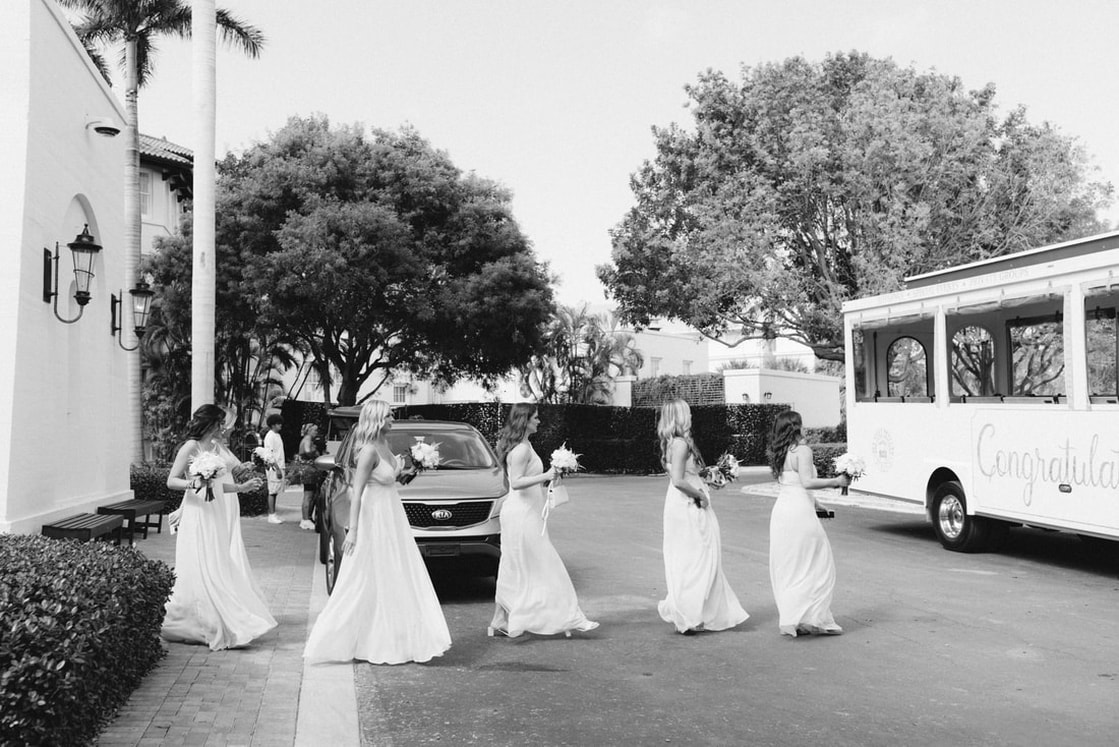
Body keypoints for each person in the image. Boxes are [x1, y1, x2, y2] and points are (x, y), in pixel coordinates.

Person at [303, 400, 451, 664]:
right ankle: (339, 638)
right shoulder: (368, 450)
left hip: (392, 515)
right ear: (378, 419)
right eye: (390, 415)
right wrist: (354, 530)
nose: (393, 419)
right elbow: (357, 493)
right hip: (374, 517)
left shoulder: (386, 445)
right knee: (363, 576)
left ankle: (393, 636)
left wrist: (409, 470)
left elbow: (389, 480)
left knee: (394, 573)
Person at [161, 405, 277, 650]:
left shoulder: (215, 448)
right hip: (197, 511)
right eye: (220, 422)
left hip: (215, 510)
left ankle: (216, 613)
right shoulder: (190, 447)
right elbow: (171, 480)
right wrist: (195, 483)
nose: (223, 427)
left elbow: (218, 485)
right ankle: (199, 618)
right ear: (210, 423)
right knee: (200, 560)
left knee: (217, 559)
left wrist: (241, 489)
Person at [488, 403, 598, 638]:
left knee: (515, 563)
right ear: (524, 420)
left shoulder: (527, 445)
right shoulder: (521, 450)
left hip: (528, 511)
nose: (539, 421)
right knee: (544, 561)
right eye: (535, 418)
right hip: (521, 514)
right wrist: (546, 475)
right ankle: (569, 616)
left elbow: (526, 480)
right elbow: (515, 482)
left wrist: (551, 477)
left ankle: (499, 618)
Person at [657, 399, 749, 635]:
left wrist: (710, 475)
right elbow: (678, 481)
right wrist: (700, 494)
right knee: (699, 557)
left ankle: (694, 610)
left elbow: (677, 471)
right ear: (679, 417)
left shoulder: (672, 442)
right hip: (688, 504)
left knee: (694, 557)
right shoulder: (680, 444)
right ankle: (689, 612)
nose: (692, 416)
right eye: (687, 413)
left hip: (682, 502)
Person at [767, 410, 850, 637]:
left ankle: (798, 618)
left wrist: (816, 504)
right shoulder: (803, 450)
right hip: (798, 513)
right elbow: (806, 482)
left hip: (783, 512)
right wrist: (837, 481)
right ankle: (813, 617)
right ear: (796, 426)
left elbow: (791, 484)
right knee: (818, 562)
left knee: (793, 566)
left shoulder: (780, 452)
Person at [295, 423, 324, 531]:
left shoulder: (308, 439)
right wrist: (315, 452)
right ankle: (305, 519)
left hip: (308, 469)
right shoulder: (307, 439)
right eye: (314, 430)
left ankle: (307, 518)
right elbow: (307, 450)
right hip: (308, 469)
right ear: (309, 431)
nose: (316, 432)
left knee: (310, 494)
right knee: (308, 495)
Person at [263, 413, 286, 524]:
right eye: (278, 423)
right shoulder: (270, 436)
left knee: (275, 491)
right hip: (274, 467)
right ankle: (271, 515)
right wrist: (276, 469)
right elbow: (269, 454)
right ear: (273, 425)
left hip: (279, 466)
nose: (280, 425)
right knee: (272, 491)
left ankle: (274, 513)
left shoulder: (277, 435)